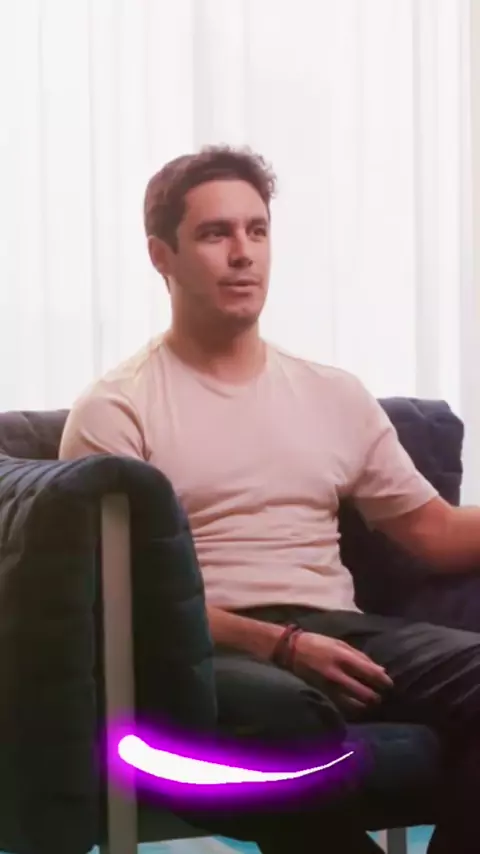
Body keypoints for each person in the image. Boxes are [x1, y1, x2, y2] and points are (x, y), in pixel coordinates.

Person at [60, 146, 480, 854]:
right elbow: (121, 600)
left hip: (339, 630)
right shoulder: (116, 408)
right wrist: (279, 645)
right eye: (214, 233)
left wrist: (307, 640)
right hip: (204, 648)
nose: (243, 253)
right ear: (162, 256)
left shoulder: (332, 394)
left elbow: (434, 533)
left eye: (256, 230)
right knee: (285, 718)